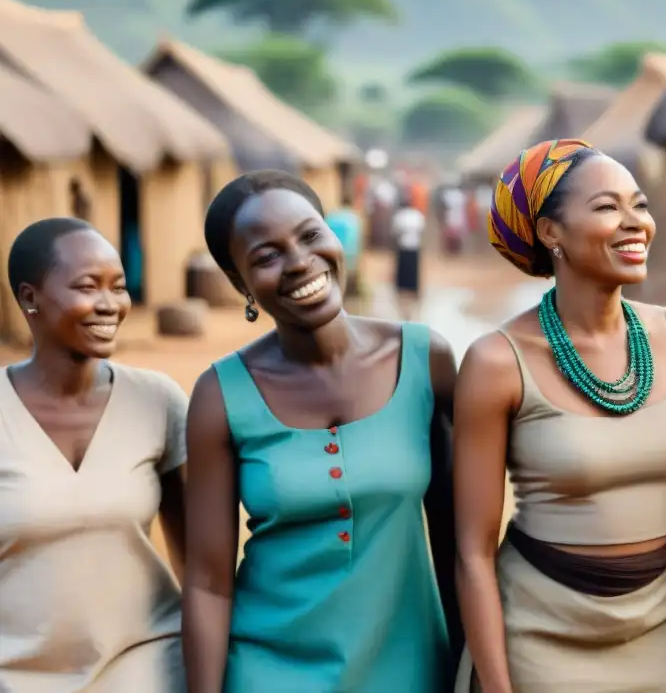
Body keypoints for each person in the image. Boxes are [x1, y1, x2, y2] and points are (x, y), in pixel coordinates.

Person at [182, 170, 461, 693]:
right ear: (242, 285)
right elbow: (208, 584)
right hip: (267, 672)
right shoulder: (220, 396)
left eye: (311, 235)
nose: (299, 262)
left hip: (411, 671)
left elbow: (458, 546)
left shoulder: (427, 361)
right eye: (266, 256)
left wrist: (471, 668)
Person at [453, 139, 666, 692]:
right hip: (541, 627)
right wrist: (497, 686)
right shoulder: (498, 362)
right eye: (606, 208)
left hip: (661, 623)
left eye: (639, 205)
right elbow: (473, 552)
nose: (634, 223)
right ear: (550, 233)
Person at [1, 218, 188, 692]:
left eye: (119, 287)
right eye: (87, 286)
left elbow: (199, 565)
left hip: (147, 665)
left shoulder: (157, 401)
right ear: (30, 297)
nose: (109, 304)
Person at [325, 189, 365, 298]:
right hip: (350, 253)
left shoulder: (332, 216)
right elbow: (357, 239)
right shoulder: (355, 218)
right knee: (347, 276)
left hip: (333, 250)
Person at [392, 192, 427, 298]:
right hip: (414, 245)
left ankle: (402, 287)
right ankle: (413, 287)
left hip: (403, 245)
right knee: (413, 269)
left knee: (403, 269)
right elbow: (422, 230)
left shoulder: (400, 216)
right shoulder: (417, 215)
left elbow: (395, 231)